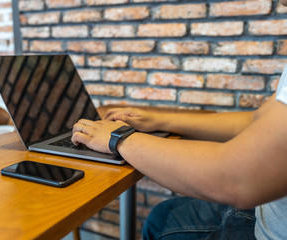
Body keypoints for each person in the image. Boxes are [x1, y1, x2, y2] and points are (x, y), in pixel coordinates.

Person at [71, 2, 287, 239]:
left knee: (162, 227)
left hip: (267, 231)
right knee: (163, 218)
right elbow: (257, 119)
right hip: (265, 211)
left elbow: (236, 179)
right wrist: (160, 120)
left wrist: (118, 139)